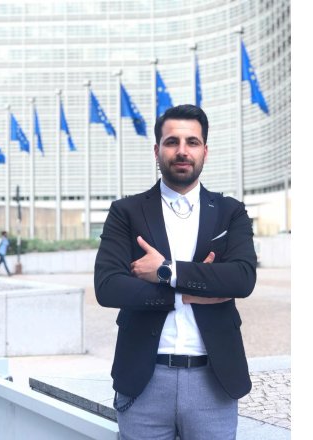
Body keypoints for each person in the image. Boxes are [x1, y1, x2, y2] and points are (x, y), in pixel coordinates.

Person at [94, 104, 258, 439]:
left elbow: (242, 278)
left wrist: (167, 272)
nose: (182, 151)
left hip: (213, 381)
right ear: (157, 150)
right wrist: (190, 292)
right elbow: (108, 286)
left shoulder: (230, 212)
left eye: (192, 142)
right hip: (144, 380)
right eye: (172, 142)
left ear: (205, 151)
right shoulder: (125, 212)